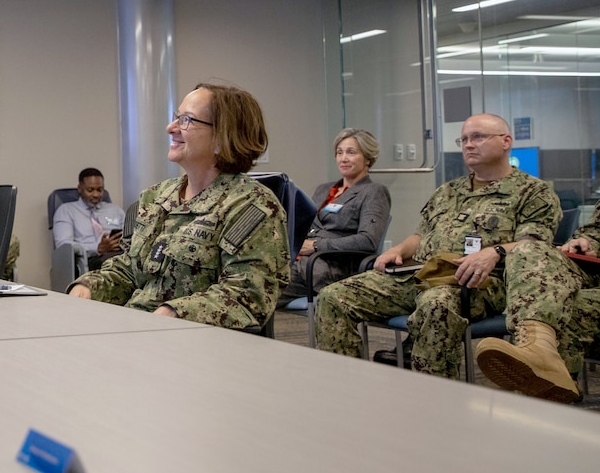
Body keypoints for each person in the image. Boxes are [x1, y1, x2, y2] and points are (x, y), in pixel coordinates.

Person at [314, 114, 560, 378]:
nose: (468, 144)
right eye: (464, 139)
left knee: (436, 304)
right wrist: (397, 250)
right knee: (333, 296)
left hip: (478, 283)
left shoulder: (533, 192)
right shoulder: (448, 191)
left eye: (478, 137)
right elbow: (420, 237)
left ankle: (434, 397)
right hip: (421, 274)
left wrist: (494, 252)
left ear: (506, 142)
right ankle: (343, 383)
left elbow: (534, 246)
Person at [67, 83, 287, 330]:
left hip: (195, 345)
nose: (171, 128)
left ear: (223, 137)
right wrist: (87, 287)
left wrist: (173, 313)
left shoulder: (251, 206)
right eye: (176, 118)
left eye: (186, 120)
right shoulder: (156, 197)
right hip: (137, 330)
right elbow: (129, 270)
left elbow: (246, 296)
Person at [472, 179, 600, 403]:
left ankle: (552, 395)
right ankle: (538, 348)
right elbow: (594, 230)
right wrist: (584, 242)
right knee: (528, 253)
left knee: (555, 308)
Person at [276, 129, 391, 306]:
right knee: (254, 282)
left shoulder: (374, 192)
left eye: (351, 152)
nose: (343, 158)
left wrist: (315, 245)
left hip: (333, 267)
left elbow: (368, 240)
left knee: (260, 291)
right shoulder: (323, 189)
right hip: (301, 263)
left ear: (368, 158)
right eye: (339, 152)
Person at [51, 167, 125, 268]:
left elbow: (131, 235)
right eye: (90, 190)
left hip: (119, 254)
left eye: (100, 190)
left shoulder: (116, 210)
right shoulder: (66, 210)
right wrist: (97, 248)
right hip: (87, 260)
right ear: (80, 189)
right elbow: (64, 246)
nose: (96, 194)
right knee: (115, 263)